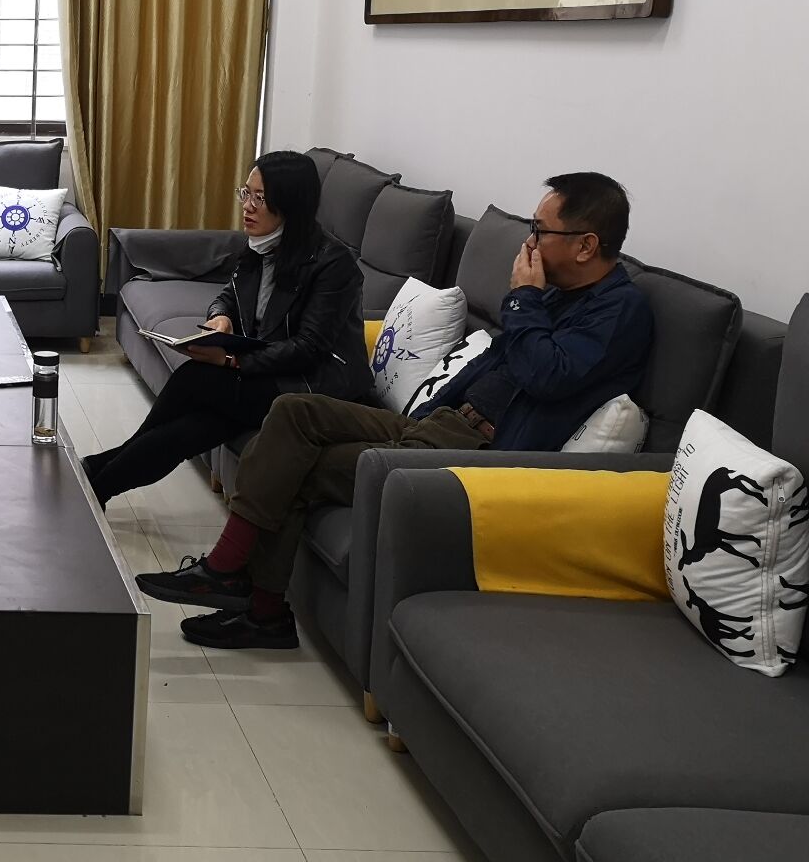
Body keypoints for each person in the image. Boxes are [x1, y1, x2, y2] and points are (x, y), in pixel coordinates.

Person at [139, 172, 655, 651]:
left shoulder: (619, 312)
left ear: (586, 245)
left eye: (540, 230)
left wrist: (523, 299)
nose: (529, 243)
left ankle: (259, 606)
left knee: (293, 465)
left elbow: (547, 374)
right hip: (437, 422)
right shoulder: (556, 295)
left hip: (479, 453)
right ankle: (230, 576)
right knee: (294, 411)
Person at [82, 151, 371, 507]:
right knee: (194, 427)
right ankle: (96, 485)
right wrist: (220, 317)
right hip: (271, 372)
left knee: (196, 380)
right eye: (246, 193)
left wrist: (232, 361)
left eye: (260, 198)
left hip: (314, 388)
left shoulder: (333, 264)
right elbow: (228, 296)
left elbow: (309, 348)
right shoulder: (261, 246)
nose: (247, 206)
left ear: (290, 204)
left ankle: (94, 478)